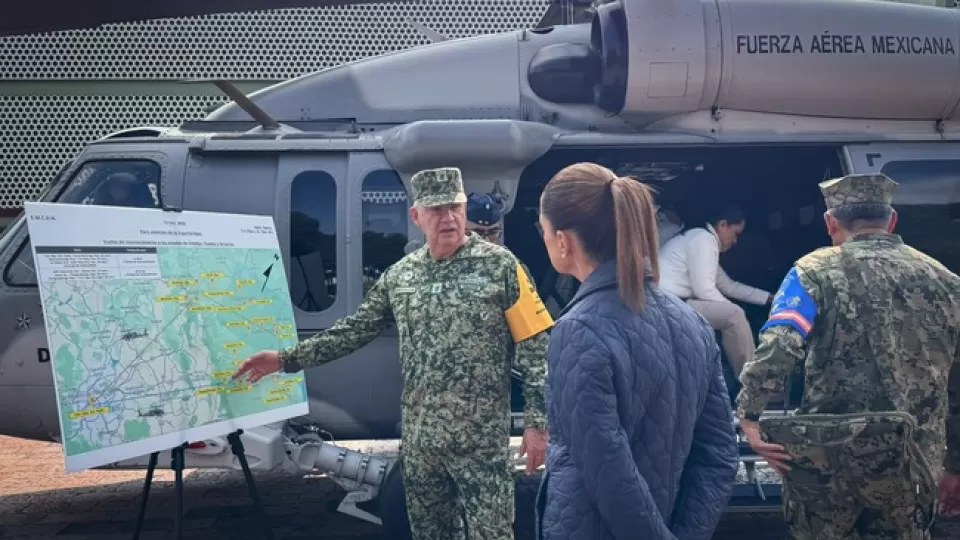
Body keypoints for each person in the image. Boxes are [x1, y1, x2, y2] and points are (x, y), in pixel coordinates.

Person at [233, 167, 554, 540]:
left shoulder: (503, 268)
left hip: (480, 445)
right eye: (436, 210)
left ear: (465, 210)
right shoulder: (400, 276)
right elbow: (354, 330)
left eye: (455, 207)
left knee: (493, 534)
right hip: (421, 446)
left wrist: (537, 422)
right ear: (417, 217)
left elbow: (534, 345)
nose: (448, 218)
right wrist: (286, 358)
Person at [735, 173, 960, 539]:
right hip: (911, 463)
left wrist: (750, 416)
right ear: (892, 220)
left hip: (831, 462)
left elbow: (779, 344)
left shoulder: (812, 271)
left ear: (830, 222)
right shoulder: (946, 282)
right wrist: (955, 464)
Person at [534, 162, 739, 540]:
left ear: (562, 241)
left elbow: (607, 470)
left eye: (543, 231)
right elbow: (719, 456)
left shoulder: (577, 329)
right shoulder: (692, 322)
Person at [659, 204, 773, 376]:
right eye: (735, 234)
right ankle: (753, 383)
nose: (735, 241)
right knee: (734, 316)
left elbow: (728, 286)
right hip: (669, 305)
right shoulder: (704, 239)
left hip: (672, 303)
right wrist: (737, 312)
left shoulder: (699, 239)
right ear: (723, 225)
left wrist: (767, 298)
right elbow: (704, 291)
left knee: (734, 313)